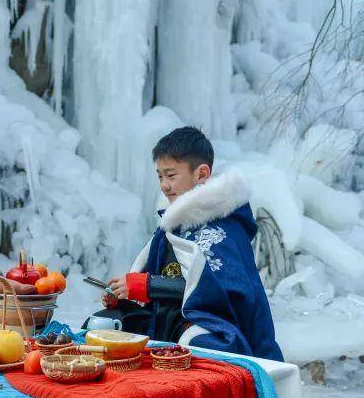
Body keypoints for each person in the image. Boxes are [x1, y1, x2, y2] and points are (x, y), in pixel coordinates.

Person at [91, 126, 283, 362]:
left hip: (215, 329)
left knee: (200, 343)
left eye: (171, 176)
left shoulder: (223, 229)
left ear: (201, 174)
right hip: (169, 322)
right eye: (160, 176)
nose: (164, 185)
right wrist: (125, 294)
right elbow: (161, 281)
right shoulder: (174, 226)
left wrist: (147, 286)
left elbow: (221, 291)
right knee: (103, 323)